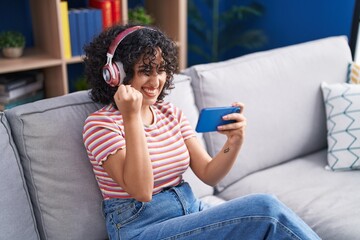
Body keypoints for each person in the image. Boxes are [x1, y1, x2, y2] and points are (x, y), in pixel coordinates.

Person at [82, 24, 321, 240]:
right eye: (146, 70)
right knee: (266, 209)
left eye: (161, 70)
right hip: (142, 229)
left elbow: (208, 173)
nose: (156, 81)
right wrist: (131, 116)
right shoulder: (100, 125)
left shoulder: (169, 113)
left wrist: (234, 141)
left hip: (190, 212)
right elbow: (142, 191)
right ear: (117, 74)